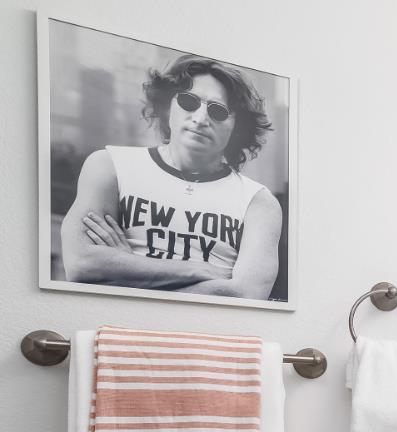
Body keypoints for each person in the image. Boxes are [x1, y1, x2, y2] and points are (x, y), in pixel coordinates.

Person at [60, 54, 283, 300]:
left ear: (238, 127)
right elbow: (80, 264)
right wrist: (195, 270)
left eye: (218, 111)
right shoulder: (109, 166)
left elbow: (245, 294)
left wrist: (126, 267)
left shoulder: (258, 203)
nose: (200, 119)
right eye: (189, 102)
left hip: (209, 334)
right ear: (167, 106)